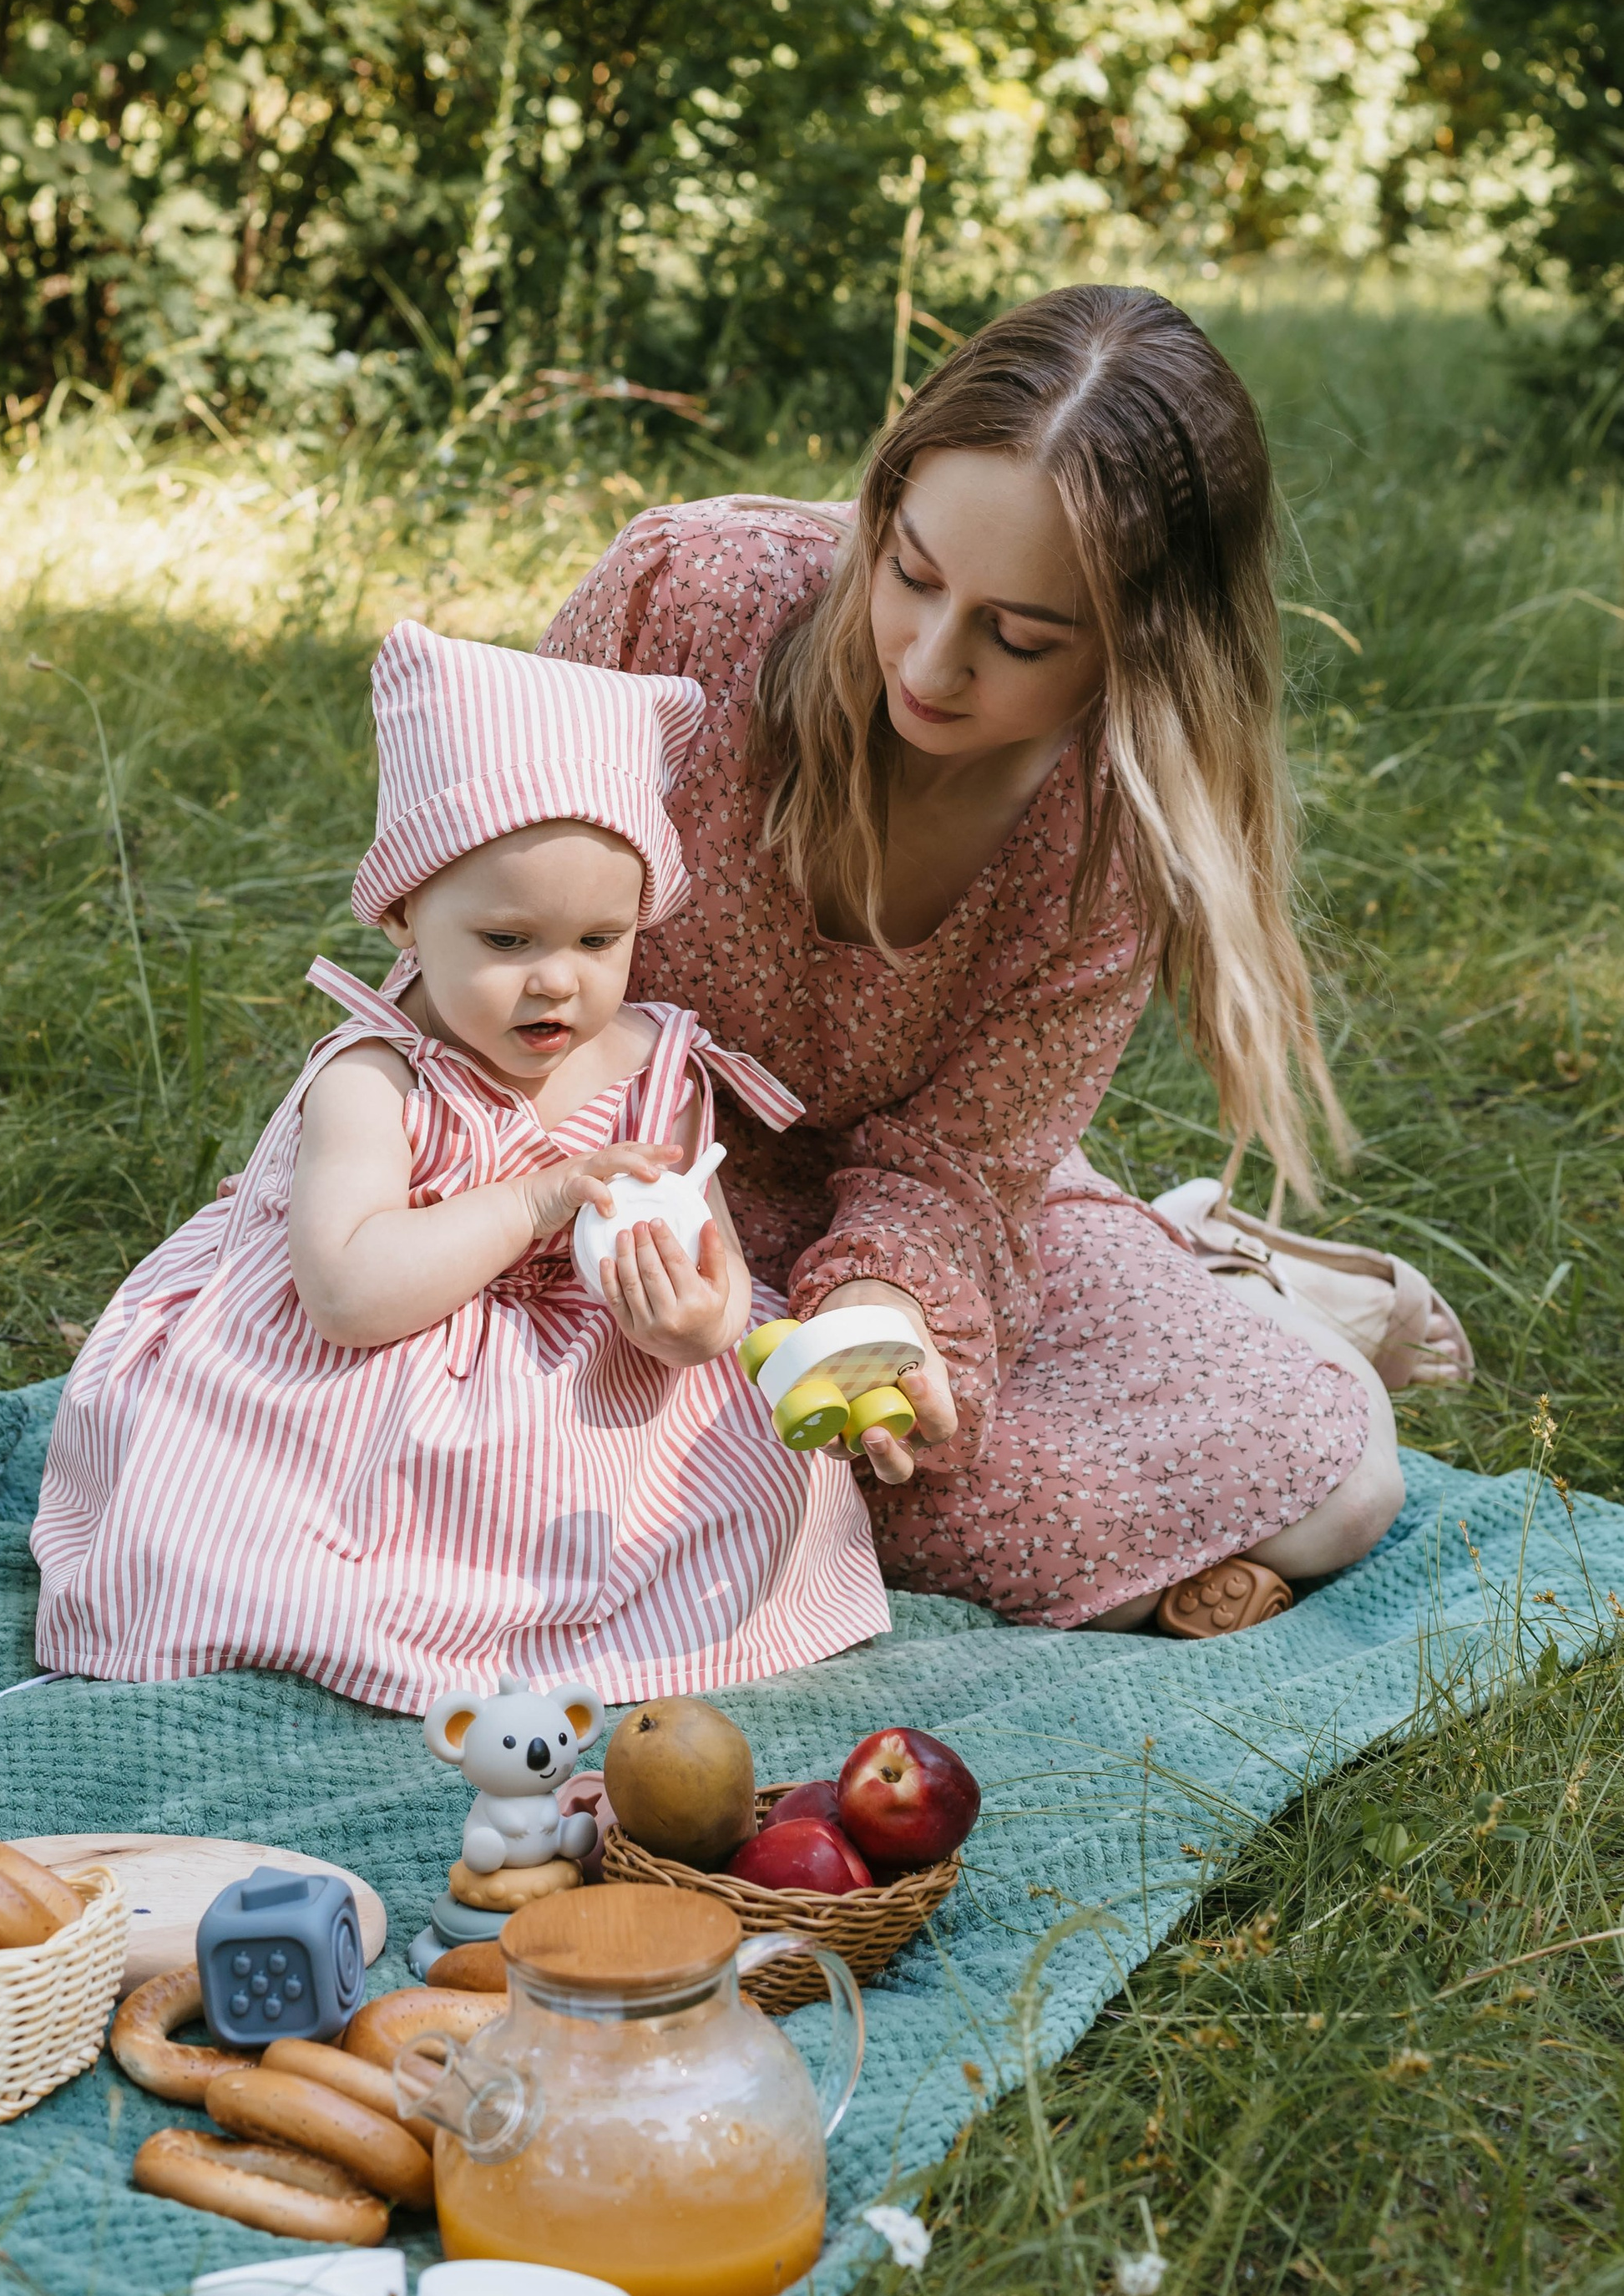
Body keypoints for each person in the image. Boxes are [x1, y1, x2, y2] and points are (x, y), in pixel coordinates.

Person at [541, 283, 1472, 1635]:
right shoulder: (689, 599)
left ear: (1139, 649)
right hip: (587, 1186)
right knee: (550, 1468)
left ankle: (1217, 1283)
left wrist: (883, 1312)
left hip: (911, 1214)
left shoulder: (1111, 819)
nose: (930, 658)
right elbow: (469, 913)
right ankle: (1191, 1260)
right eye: (911, 572)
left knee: (1340, 1494)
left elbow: (958, 1166)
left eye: (1022, 637)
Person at [31, 620, 888, 1713]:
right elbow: (344, 1296)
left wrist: (692, 1326)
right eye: (507, 943)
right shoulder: (378, 1078)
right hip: (369, 1396)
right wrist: (531, 1200)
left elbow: (715, 1268)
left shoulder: (656, 1064)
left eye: (598, 942)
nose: (557, 986)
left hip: (598, 1405)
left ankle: (619, 1621)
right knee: (241, 1532)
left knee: (755, 1485)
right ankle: (370, 1624)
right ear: (404, 912)